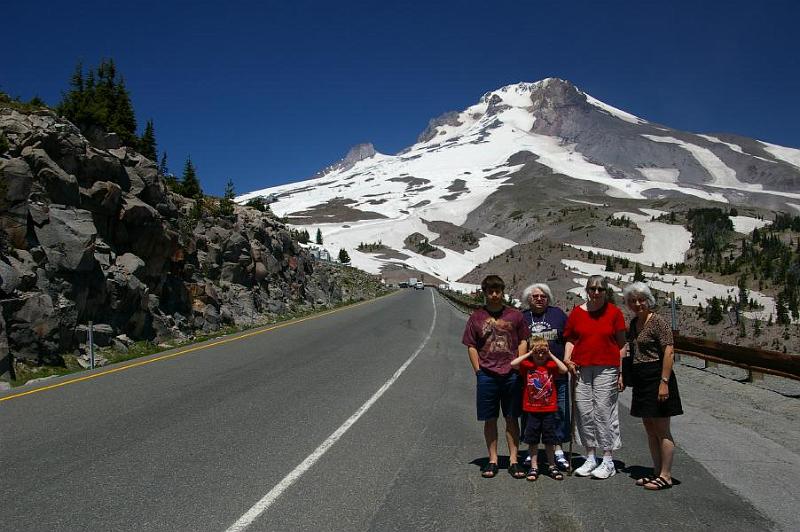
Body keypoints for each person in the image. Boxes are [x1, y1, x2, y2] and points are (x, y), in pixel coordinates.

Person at [462, 275, 529, 479]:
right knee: (489, 418)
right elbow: (471, 345)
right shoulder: (476, 317)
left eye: (497, 291)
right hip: (487, 375)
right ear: (485, 293)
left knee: (511, 417)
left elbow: (523, 341)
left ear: (502, 292)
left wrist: (517, 367)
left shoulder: (515, 316)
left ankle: (514, 460)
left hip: (511, 375)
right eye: (490, 291)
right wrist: (478, 371)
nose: (494, 295)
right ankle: (492, 460)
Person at [563, 275, 626, 479]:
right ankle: (590, 456)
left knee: (603, 410)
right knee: (583, 410)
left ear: (606, 291)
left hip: (607, 367)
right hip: (581, 367)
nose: (596, 293)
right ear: (587, 290)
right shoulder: (577, 313)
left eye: (600, 289)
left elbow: (622, 345)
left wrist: (621, 372)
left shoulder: (614, 313)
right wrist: (567, 359)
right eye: (592, 289)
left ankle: (608, 459)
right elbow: (571, 339)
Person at [623, 282, 683, 490]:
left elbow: (669, 351)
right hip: (641, 378)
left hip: (657, 376)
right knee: (649, 428)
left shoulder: (658, 322)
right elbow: (629, 350)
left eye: (640, 300)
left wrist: (664, 382)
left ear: (648, 300)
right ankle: (656, 470)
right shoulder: (633, 324)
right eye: (632, 301)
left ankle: (666, 475)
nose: (637, 304)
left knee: (662, 428)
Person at [520, 283, 571, 471]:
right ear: (528, 299)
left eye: (543, 296)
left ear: (548, 298)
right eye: (535, 296)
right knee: (530, 413)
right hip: (532, 375)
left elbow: (569, 339)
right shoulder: (523, 317)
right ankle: (530, 450)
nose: (539, 299)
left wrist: (568, 360)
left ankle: (558, 450)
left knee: (558, 413)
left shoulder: (557, 314)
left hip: (555, 372)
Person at [511, 337, 568, 481]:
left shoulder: (551, 366)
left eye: (543, 353)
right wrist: (530, 353)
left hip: (548, 409)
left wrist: (550, 354)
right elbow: (513, 364)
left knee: (550, 440)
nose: (540, 356)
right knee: (533, 439)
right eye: (538, 353)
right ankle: (534, 466)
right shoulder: (527, 365)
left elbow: (564, 369)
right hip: (532, 410)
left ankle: (551, 465)